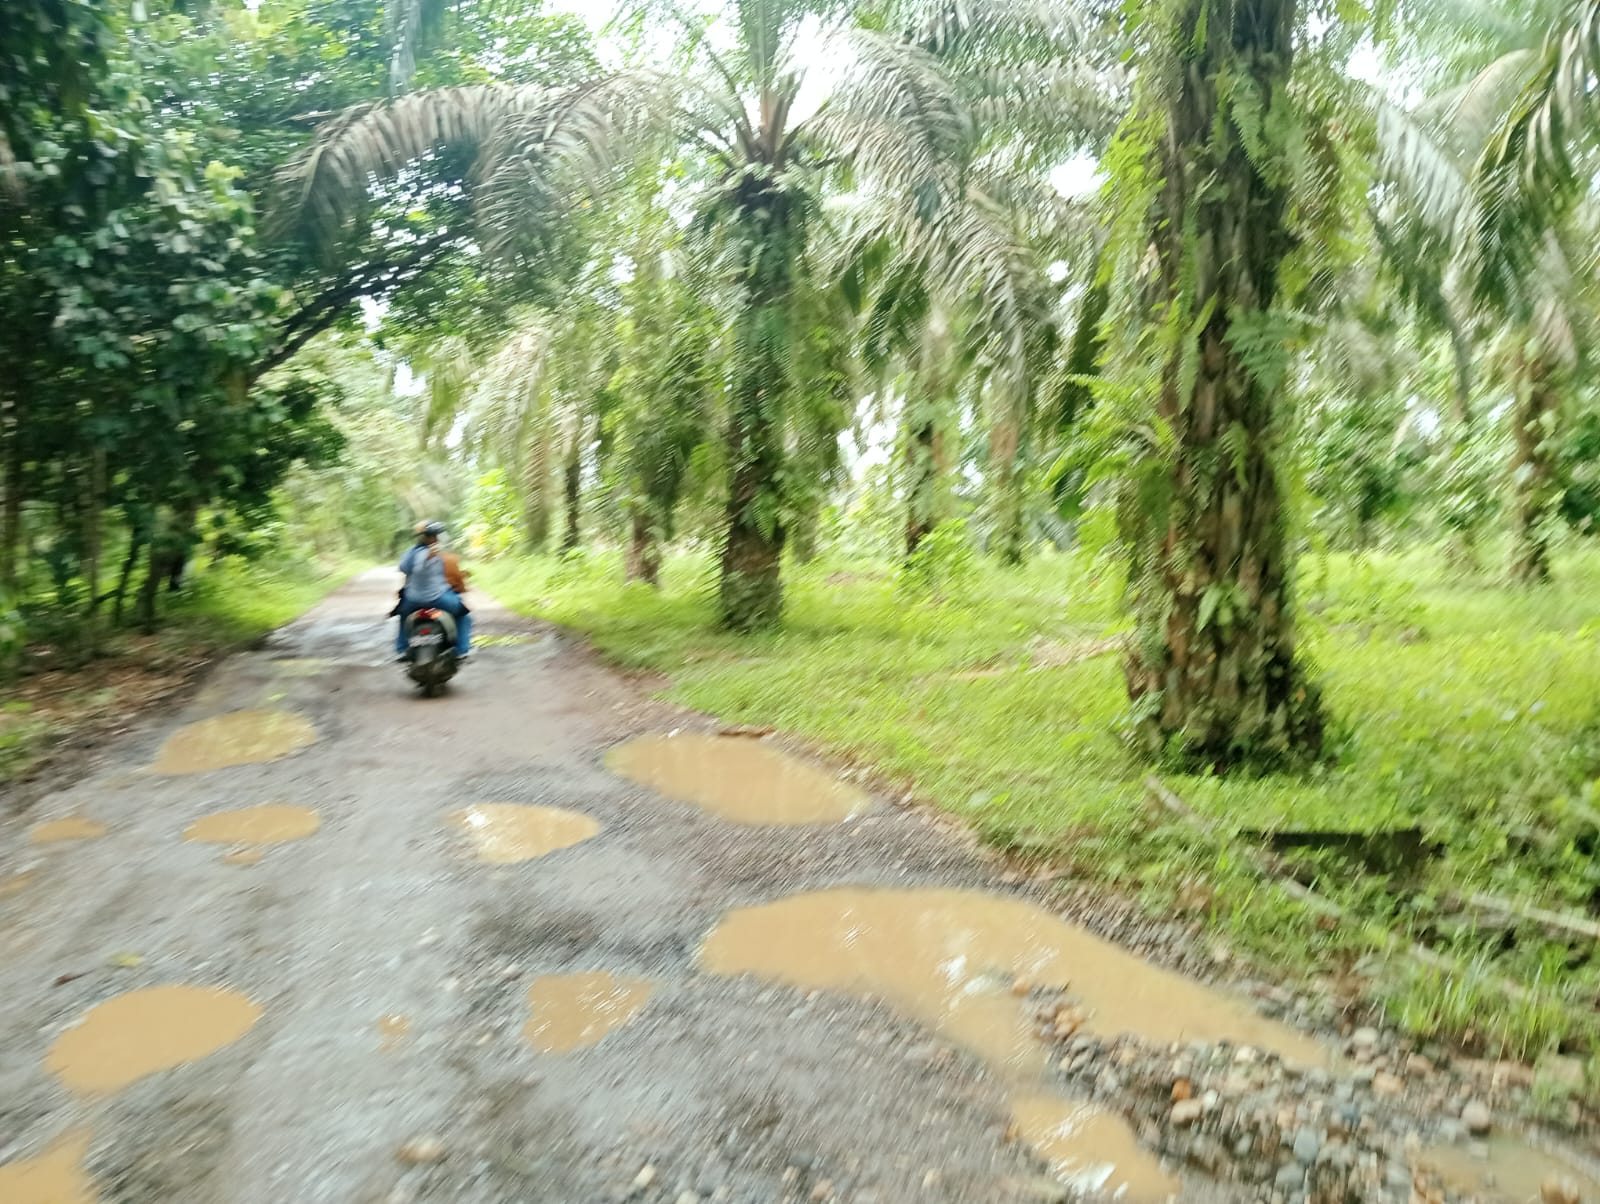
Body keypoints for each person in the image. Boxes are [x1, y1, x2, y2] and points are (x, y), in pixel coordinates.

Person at [395, 521, 472, 661]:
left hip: (412, 600)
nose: (435, 538)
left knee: (403, 615)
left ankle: (402, 649)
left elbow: (404, 568)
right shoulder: (438, 554)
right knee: (463, 615)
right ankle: (462, 650)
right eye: (434, 535)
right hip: (438, 599)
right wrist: (429, 557)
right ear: (431, 537)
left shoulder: (409, 553)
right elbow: (424, 566)